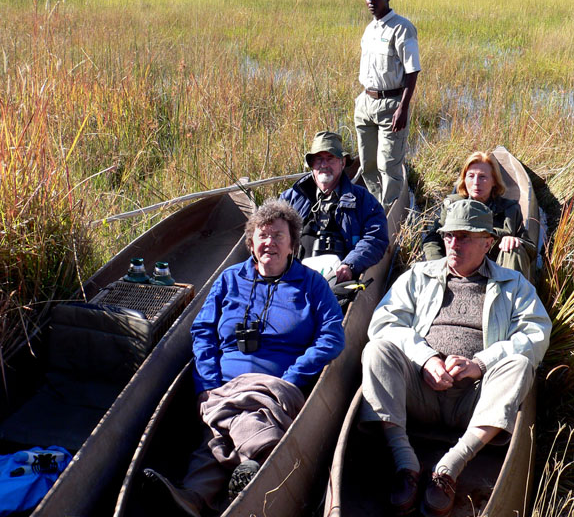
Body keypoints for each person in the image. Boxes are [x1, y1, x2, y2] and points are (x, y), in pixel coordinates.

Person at [142, 200, 345, 516]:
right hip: (223, 387)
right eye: (262, 236)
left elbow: (333, 336)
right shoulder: (229, 279)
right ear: (251, 244)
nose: (270, 243)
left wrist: (293, 376)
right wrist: (206, 384)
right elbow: (203, 331)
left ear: (292, 244)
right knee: (225, 416)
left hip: (278, 386)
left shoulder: (312, 285)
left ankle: (199, 495)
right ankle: (250, 466)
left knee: (219, 426)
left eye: (278, 236)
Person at [360, 199, 551, 517]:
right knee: (376, 350)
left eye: (464, 236)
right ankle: (405, 462)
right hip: (419, 391)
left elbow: (535, 334)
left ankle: (450, 466)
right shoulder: (418, 275)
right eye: (449, 235)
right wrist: (426, 359)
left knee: (518, 364)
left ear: (488, 242)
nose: (453, 243)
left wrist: (481, 364)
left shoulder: (513, 284)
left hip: (476, 401)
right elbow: (384, 323)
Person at [280, 130, 389, 285]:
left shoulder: (364, 201)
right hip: (296, 276)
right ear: (311, 164)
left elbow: (376, 238)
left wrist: (350, 265)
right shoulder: (290, 198)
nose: (324, 165)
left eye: (330, 158)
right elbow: (272, 233)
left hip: (338, 281)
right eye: (318, 159)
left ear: (342, 162)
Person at [355, 0, 421, 211]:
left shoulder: (402, 27)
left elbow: (412, 70)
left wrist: (403, 107)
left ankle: (389, 215)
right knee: (368, 164)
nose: (371, 0)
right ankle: (375, 208)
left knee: (389, 165)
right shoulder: (370, 29)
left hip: (391, 104)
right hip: (365, 103)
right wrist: (362, 101)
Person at [422, 151, 536, 281]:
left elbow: (530, 248)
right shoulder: (452, 206)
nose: (476, 182)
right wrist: (438, 267)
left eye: (482, 177)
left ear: (494, 181)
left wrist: (516, 241)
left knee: (514, 250)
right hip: (459, 267)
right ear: (464, 179)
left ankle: (512, 295)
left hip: (496, 270)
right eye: (471, 176)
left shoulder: (509, 209)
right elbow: (432, 240)